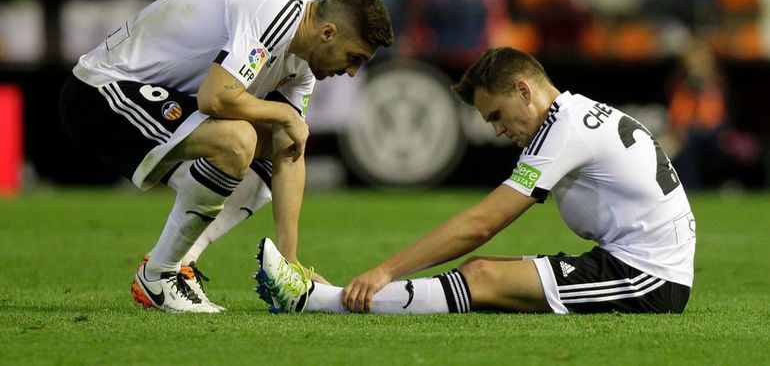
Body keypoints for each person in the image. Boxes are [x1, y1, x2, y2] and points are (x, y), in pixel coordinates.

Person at [256, 47, 695, 315]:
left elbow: (481, 223)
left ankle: (315, 300)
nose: (498, 131)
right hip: (637, 259)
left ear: (524, 91)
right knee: (481, 270)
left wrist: (385, 270)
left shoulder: (564, 130)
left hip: (649, 277)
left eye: (497, 116)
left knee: (482, 275)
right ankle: (332, 295)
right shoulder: (574, 114)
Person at [59, 0, 393, 313]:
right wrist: (283, 113)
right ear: (328, 33)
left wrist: (289, 266)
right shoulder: (275, 11)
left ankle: (177, 266)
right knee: (238, 140)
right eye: (355, 58)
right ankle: (159, 275)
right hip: (101, 89)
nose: (352, 72)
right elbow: (214, 97)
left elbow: (289, 151)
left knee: (275, 142)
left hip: (155, 97)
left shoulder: (303, 58)